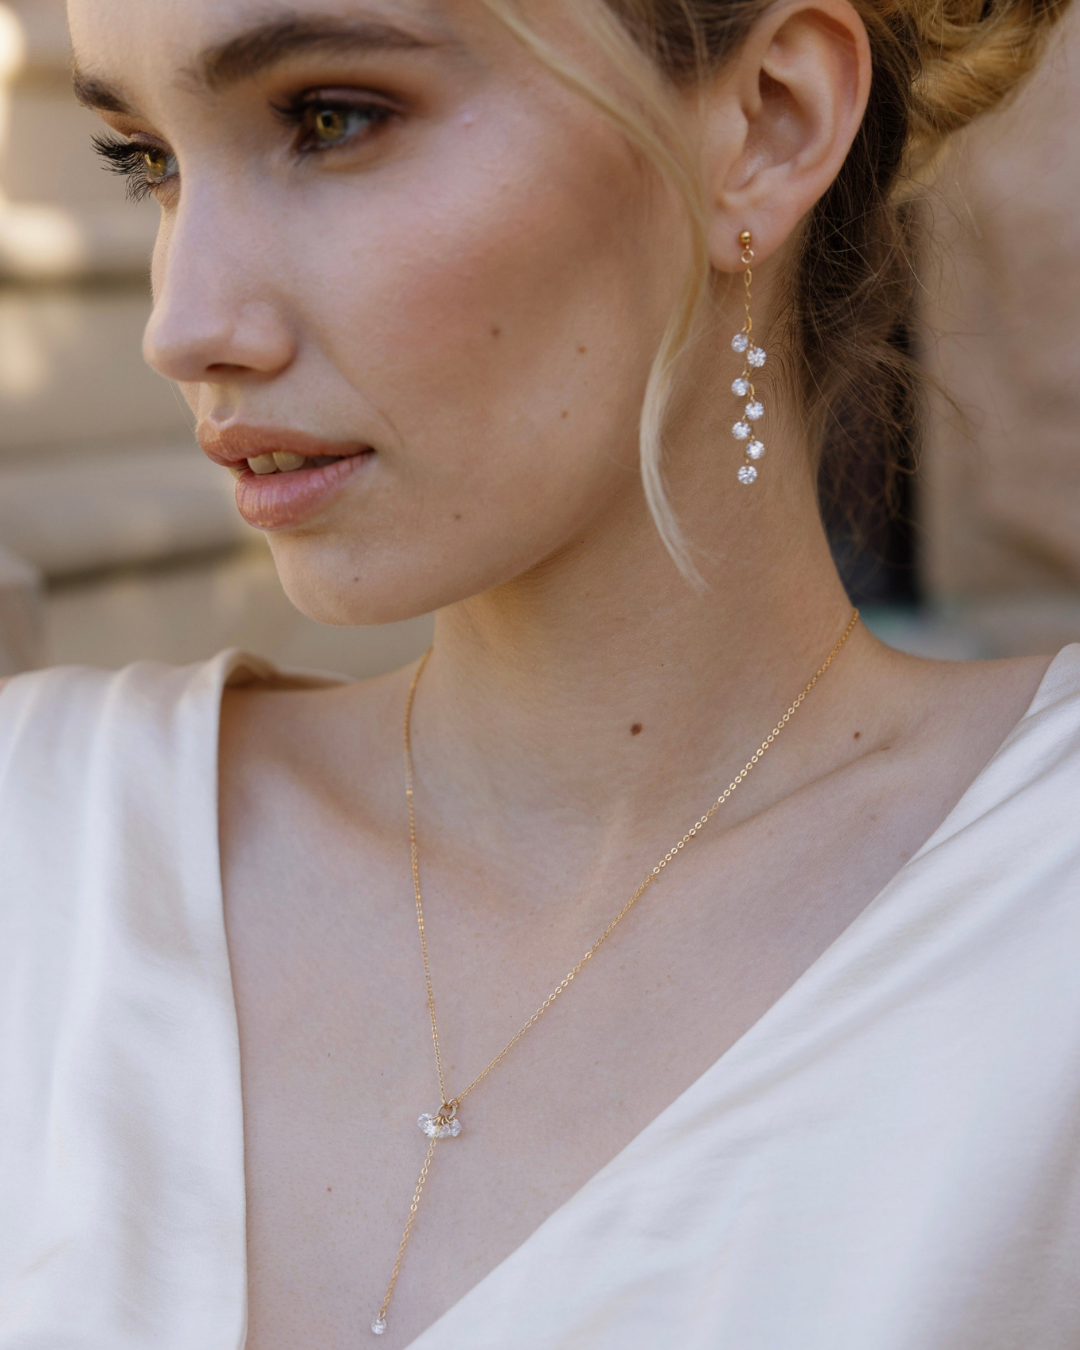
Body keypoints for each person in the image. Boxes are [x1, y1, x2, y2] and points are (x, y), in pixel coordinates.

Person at [1, 0, 1077, 1346]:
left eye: (333, 120)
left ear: (769, 121)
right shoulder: (40, 842)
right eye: (148, 162)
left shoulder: (1042, 912)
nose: (186, 321)